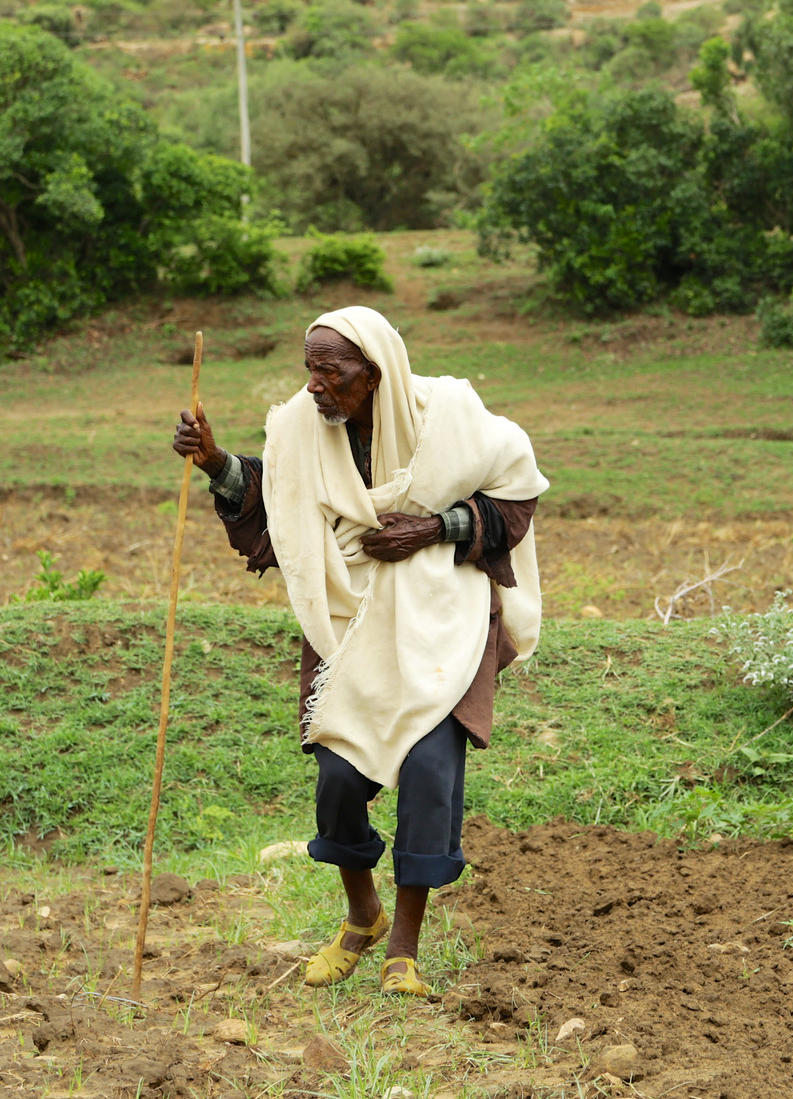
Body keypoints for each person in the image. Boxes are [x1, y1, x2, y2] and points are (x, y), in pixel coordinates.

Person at [170, 306, 547, 997]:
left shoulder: (451, 414)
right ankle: (361, 915)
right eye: (309, 370)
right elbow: (275, 500)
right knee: (340, 781)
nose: (315, 387)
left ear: (374, 375)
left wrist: (434, 527)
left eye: (331, 373)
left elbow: (515, 499)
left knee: (431, 778)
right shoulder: (299, 427)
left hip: (442, 626)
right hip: (350, 626)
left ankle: (403, 949)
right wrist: (217, 463)